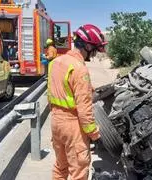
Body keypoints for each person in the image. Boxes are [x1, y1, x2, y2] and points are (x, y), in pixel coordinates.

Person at [47, 24, 108, 180]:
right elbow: (84, 110)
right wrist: (95, 135)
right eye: (94, 50)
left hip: (55, 122)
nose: (94, 54)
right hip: (72, 126)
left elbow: (56, 90)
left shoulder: (56, 62)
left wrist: (89, 88)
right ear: (87, 45)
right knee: (79, 170)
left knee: (61, 167)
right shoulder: (80, 69)